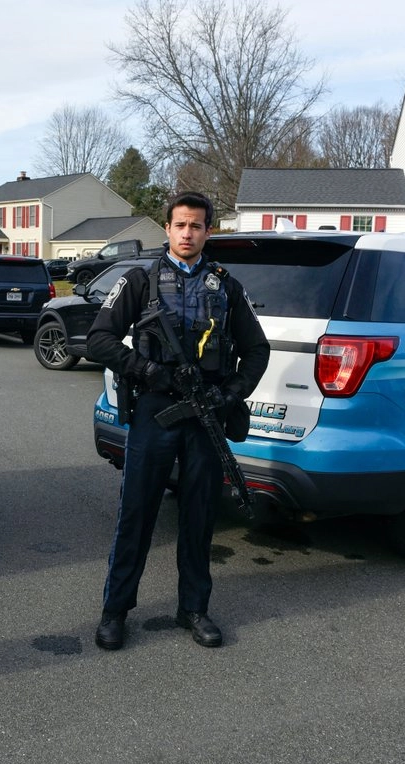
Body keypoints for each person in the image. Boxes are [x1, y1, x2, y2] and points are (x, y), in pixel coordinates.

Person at [86, 191, 270, 650]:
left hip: (206, 411)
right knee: (138, 513)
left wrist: (229, 394)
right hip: (155, 410)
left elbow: (257, 350)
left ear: (209, 230)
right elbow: (99, 341)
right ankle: (115, 611)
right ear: (167, 228)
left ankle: (194, 608)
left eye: (197, 226)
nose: (188, 233)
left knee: (200, 514)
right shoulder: (140, 281)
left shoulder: (226, 286)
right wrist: (146, 370)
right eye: (180, 225)